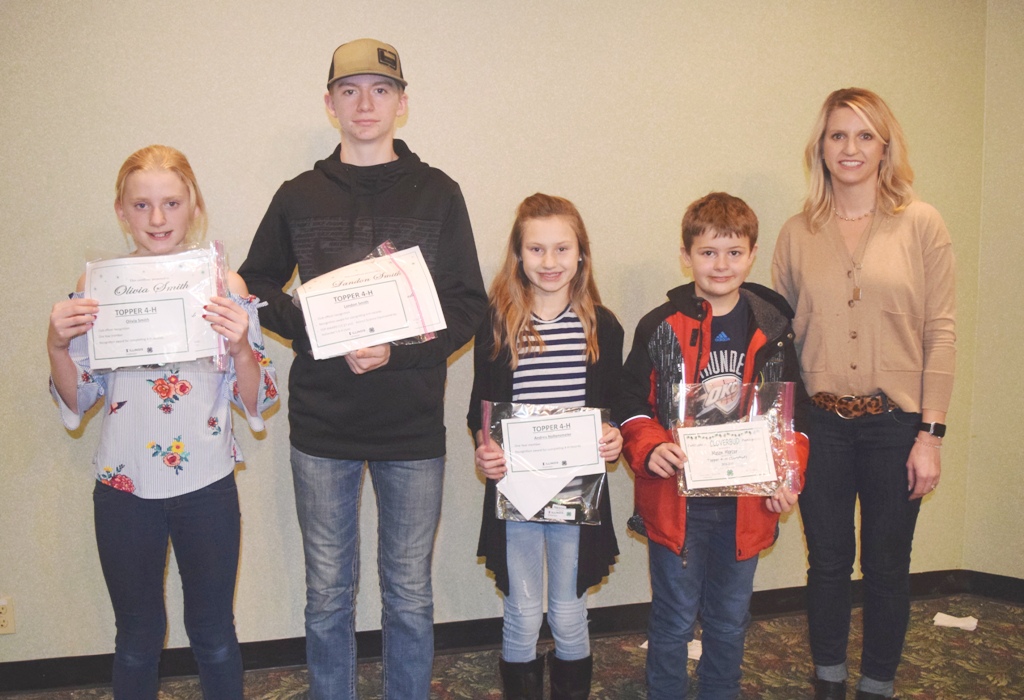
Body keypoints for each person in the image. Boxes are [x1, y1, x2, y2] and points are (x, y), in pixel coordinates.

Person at [237, 38, 487, 699]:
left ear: (402, 102)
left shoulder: (439, 193)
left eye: (381, 90)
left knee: (408, 593)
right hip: (323, 426)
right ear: (330, 104)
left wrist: (398, 352)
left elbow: (468, 305)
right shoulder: (298, 195)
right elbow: (254, 282)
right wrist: (316, 333)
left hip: (411, 425)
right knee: (327, 593)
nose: (365, 103)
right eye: (350, 90)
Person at [46, 145, 279, 698]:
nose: (157, 218)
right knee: (137, 638)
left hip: (207, 483)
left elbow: (258, 402)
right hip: (123, 487)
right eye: (141, 205)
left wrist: (241, 347)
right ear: (121, 211)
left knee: (214, 635)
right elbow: (78, 401)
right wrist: (55, 345)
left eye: (171, 203)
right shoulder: (96, 288)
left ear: (193, 205)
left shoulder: (226, 287)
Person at [772, 88, 956, 700]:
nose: (850, 148)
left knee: (886, 564)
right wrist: (778, 438)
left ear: (884, 147)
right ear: (821, 148)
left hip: (895, 426)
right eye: (837, 135)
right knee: (826, 563)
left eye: (864, 135)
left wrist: (931, 436)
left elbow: (940, 332)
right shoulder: (797, 233)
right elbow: (779, 346)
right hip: (819, 425)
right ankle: (827, 679)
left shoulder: (921, 224)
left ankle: (877, 683)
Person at [617, 192, 808, 700]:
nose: (721, 264)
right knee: (674, 618)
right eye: (707, 252)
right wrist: (649, 447)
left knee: (729, 618)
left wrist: (787, 476)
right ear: (686, 255)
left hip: (746, 506)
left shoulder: (773, 330)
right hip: (677, 504)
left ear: (752, 254)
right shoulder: (659, 326)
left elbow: (792, 417)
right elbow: (629, 403)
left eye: (734, 252)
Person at [468, 194, 622, 700]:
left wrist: (614, 437)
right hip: (517, 491)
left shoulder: (602, 326)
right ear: (519, 254)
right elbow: (480, 411)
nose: (550, 261)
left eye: (562, 248)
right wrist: (484, 448)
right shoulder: (497, 323)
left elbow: (614, 408)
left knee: (569, 609)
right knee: (522, 609)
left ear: (581, 254)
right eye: (536, 249)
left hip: (576, 492)